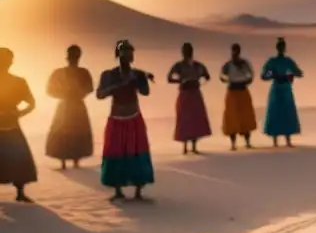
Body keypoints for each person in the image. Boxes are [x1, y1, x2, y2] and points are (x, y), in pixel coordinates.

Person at [96, 40, 155, 202]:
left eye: (130, 53)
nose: (127, 56)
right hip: (116, 117)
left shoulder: (137, 74)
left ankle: (138, 190)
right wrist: (119, 85)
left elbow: (145, 92)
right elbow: (100, 94)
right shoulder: (109, 75)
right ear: (118, 55)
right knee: (116, 151)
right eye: (124, 53)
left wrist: (141, 80)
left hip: (133, 116)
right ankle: (118, 189)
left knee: (137, 151)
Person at [45, 44, 94, 169]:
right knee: (64, 131)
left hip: (73, 104)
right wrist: (65, 94)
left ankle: (73, 159)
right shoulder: (61, 72)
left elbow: (90, 88)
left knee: (76, 131)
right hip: (67, 104)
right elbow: (50, 90)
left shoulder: (82, 72)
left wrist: (78, 92)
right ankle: (65, 160)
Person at [0, 48, 37, 202]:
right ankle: (20, 192)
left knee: (18, 158)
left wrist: (19, 113)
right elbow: (31, 103)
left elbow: (31, 103)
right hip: (10, 123)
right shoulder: (18, 81)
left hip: (12, 124)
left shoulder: (19, 82)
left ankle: (20, 192)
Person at [168, 42, 213, 155]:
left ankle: (193, 146)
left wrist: (201, 78)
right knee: (185, 119)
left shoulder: (197, 65)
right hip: (185, 93)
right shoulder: (179, 65)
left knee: (195, 119)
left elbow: (207, 75)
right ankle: (185, 146)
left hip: (194, 93)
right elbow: (169, 78)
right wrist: (180, 81)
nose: (187, 53)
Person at [261, 37, 303, 148]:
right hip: (277, 88)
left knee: (286, 112)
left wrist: (291, 74)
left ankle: (287, 139)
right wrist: (273, 75)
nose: (281, 49)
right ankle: (275, 140)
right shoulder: (273, 61)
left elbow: (299, 73)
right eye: (280, 47)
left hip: (285, 88)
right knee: (276, 112)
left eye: (282, 47)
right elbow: (264, 76)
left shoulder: (288, 61)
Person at [220, 43, 257, 151]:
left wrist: (246, 81)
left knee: (245, 116)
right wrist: (228, 80)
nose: (235, 53)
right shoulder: (228, 65)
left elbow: (251, 75)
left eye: (237, 51)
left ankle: (248, 142)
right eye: (234, 51)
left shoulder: (244, 63)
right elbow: (221, 76)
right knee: (232, 117)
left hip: (242, 90)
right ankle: (233, 144)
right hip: (232, 91)